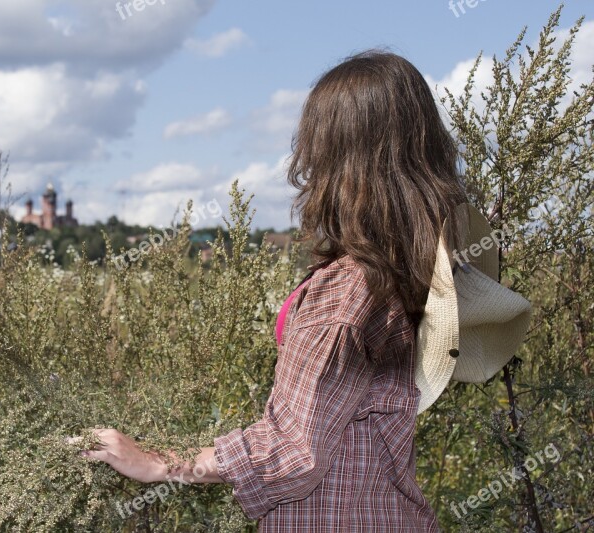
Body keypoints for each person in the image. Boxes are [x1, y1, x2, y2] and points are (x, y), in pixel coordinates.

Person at [79, 50, 472, 531]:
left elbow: (295, 449)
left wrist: (160, 462)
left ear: (334, 158)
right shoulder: (408, 274)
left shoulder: (346, 291)